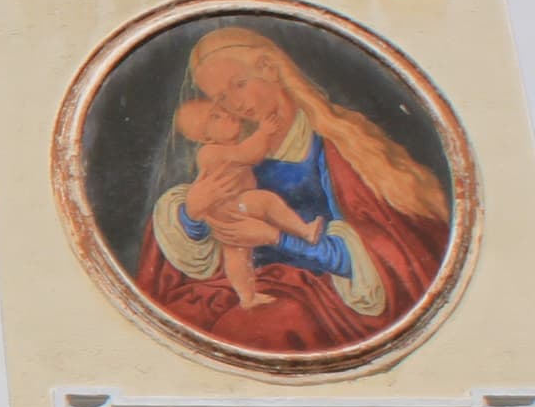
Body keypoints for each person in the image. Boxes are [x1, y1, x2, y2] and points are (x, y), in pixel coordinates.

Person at [134, 24, 454, 357]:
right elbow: (209, 240)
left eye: (239, 86)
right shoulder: (233, 151)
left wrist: (278, 239)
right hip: (254, 284)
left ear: (269, 69)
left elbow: (389, 258)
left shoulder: (342, 145)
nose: (235, 106)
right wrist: (193, 215)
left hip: (328, 293)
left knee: (260, 328)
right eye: (221, 99)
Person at [168, 91, 328, 306]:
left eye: (220, 110)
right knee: (267, 202)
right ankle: (304, 231)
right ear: (205, 137)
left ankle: (247, 296)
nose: (226, 115)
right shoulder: (210, 152)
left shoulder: (224, 148)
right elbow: (249, 154)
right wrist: (264, 132)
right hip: (233, 206)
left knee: (237, 253)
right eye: (215, 118)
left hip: (229, 210)